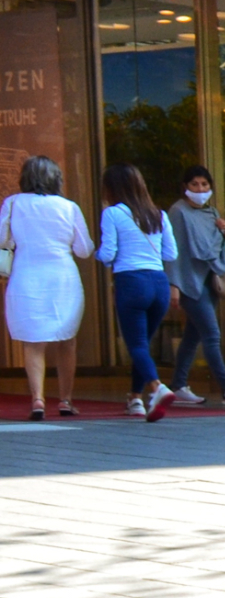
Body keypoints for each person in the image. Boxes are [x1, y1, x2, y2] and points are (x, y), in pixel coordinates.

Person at [0, 155, 93, 420]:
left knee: (33, 342)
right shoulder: (69, 207)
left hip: (27, 275)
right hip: (63, 277)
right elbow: (84, 250)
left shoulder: (13, 203)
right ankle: (65, 399)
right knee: (67, 340)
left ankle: (38, 399)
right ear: (57, 178)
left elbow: (2, 239)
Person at [96, 163, 182, 421]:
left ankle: (157, 388)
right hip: (158, 283)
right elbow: (171, 253)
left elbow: (108, 254)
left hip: (131, 282)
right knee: (141, 344)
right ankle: (135, 398)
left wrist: (96, 252)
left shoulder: (112, 214)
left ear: (112, 189)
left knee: (135, 344)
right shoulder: (158, 214)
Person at [165, 166, 225, 407]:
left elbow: (212, 245)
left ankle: (179, 386)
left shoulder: (210, 212)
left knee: (193, 336)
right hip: (189, 282)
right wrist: (174, 284)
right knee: (211, 335)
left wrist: (223, 232)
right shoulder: (178, 212)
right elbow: (175, 251)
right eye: (195, 185)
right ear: (185, 187)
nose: (201, 190)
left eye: (205, 185)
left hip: (209, 280)